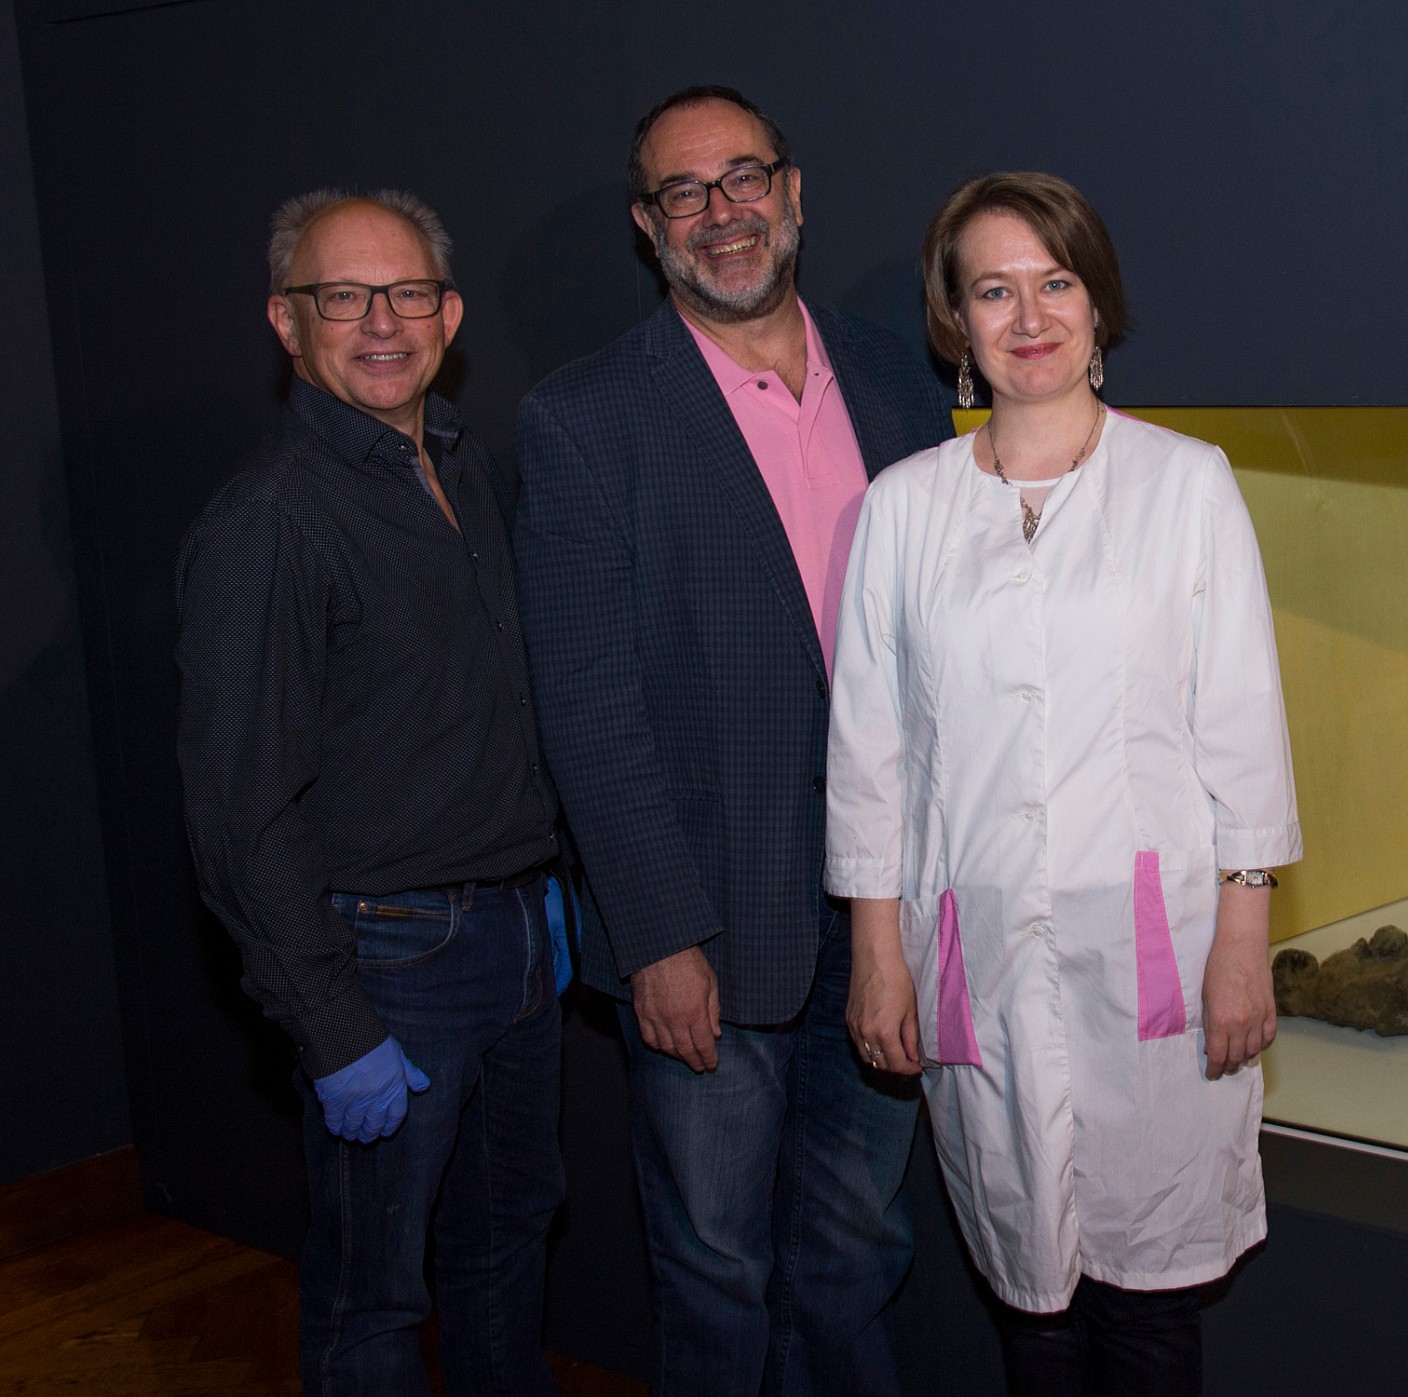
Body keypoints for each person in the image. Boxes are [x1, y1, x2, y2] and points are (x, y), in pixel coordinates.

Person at [826, 171, 1301, 1396]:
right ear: (956, 322)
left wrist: (1243, 939)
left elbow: (1242, 723)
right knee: (1030, 1298)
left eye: (1055, 282)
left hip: (1153, 938)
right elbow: (871, 747)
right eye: (994, 291)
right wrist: (877, 952)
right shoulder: (902, 510)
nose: (1028, 316)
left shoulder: (1184, 484)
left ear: (1097, 306)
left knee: (1149, 1303)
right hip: (970, 941)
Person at [512, 85, 951, 1396]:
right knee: (715, 1265)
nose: (722, 212)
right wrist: (656, 934)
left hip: (882, 912)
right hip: (707, 922)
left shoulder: (898, 384)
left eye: (744, 177)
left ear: (793, 191)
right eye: (684, 192)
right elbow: (587, 704)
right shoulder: (586, 419)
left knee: (861, 1239)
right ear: (648, 226)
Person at [175, 190, 565, 1397]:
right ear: (287, 322)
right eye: (342, 297)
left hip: (515, 938)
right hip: (391, 962)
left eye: (405, 294)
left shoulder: (459, 464)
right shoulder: (269, 523)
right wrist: (333, 1024)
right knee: (373, 1297)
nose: (381, 323)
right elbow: (238, 813)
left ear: (449, 313)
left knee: (506, 1245)